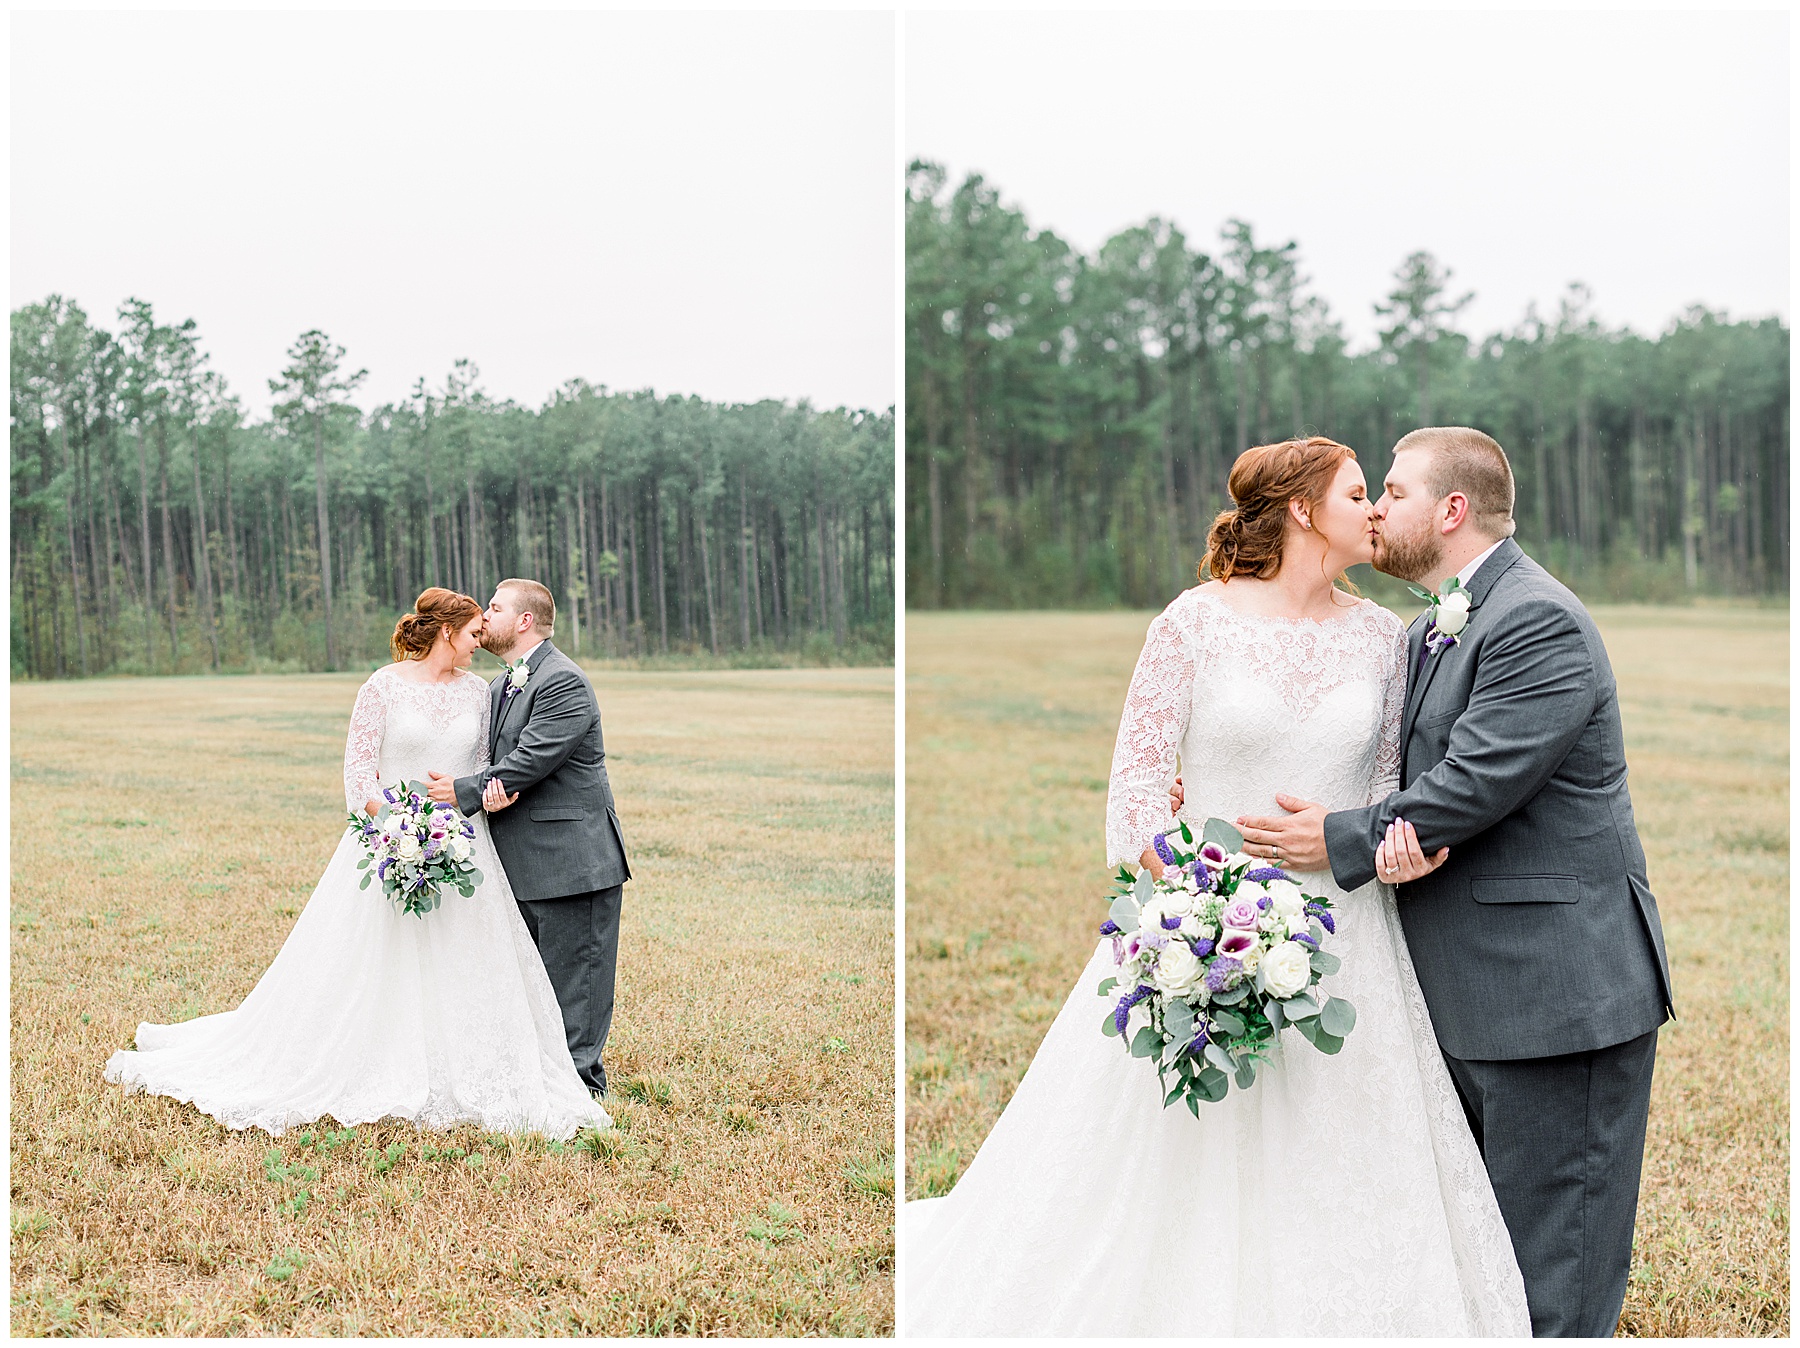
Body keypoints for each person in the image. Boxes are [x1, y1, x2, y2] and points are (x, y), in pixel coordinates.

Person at [904, 436, 1530, 1337]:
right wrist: (1214, 912)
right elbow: (1131, 809)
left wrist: (1391, 850)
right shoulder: (1191, 626)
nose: (1378, 512)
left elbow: (1392, 793)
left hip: (1350, 943)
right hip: (1201, 930)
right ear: (1307, 510)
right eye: (1361, 495)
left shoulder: (1385, 641)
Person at [1234, 427, 1674, 1337]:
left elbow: (1472, 783)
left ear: (1452, 510)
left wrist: (1341, 839)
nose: (1378, 508)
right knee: (1486, 1266)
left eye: (1392, 492)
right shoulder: (1434, 623)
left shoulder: (1535, 620)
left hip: (1555, 999)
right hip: (1472, 994)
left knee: (1554, 1275)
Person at [104, 588, 611, 1139]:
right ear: (447, 632)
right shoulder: (383, 686)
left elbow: (495, 767)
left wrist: (460, 817)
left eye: (488, 621)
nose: (479, 637)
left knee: (470, 966)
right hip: (387, 839)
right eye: (471, 631)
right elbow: (358, 779)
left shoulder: (481, 693)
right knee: (369, 967)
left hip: (466, 848)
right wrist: (404, 828)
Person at [425, 578, 630, 1098]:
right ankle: (536, 1083)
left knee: (576, 984)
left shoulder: (564, 681)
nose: (484, 616)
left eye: (494, 607)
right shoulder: (500, 685)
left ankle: (580, 1093)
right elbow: (502, 768)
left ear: (523, 621)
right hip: (521, 862)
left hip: (573, 861)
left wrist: (466, 791)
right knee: (531, 984)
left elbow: (533, 758)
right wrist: (491, 788)